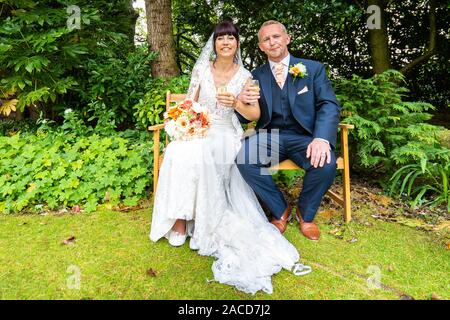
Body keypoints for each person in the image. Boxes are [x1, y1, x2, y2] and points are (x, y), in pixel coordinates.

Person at [149, 21, 307, 295]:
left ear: (236, 44)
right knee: (178, 149)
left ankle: (199, 220)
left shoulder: (245, 76)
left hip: (226, 132)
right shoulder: (202, 70)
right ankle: (180, 219)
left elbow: (254, 116)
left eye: (230, 38)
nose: (225, 43)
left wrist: (235, 103)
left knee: (207, 152)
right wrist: (187, 122)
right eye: (220, 38)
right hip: (201, 127)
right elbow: (189, 104)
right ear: (214, 44)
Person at [236, 20, 341, 241]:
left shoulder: (312, 69)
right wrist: (240, 102)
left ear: (287, 39)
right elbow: (244, 114)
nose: (272, 42)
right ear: (261, 47)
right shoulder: (255, 76)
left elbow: (328, 105)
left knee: (326, 163)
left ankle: (306, 213)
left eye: (276, 36)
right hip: (269, 136)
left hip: (306, 138)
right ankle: (279, 209)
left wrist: (321, 138)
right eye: (266, 39)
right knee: (245, 159)